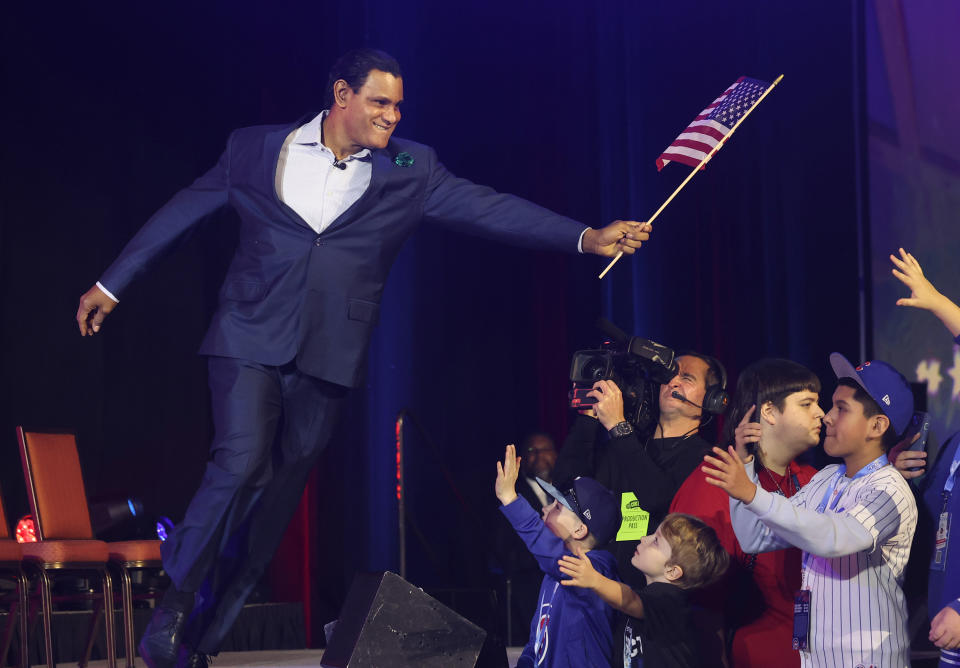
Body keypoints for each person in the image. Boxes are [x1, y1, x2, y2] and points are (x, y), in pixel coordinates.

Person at [73, 48, 653, 668]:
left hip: (329, 353)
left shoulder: (409, 168)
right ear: (341, 96)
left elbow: (491, 208)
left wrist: (585, 237)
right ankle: (174, 604)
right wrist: (112, 283)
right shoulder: (255, 147)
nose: (392, 116)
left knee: (275, 496)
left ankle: (201, 639)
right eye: (380, 102)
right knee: (240, 461)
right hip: (247, 333)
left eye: (399, 105)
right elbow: (183, 210)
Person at [705, 353, 917, 668]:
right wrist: (746, 468)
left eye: (841, 409)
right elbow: (756, 539)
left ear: (876, 425)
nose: (827, 417)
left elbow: (834, 538)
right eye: (830, 406)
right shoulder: (826, 478)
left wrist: (751, 493)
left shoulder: (889, 490)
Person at [670, 358, 823, 667]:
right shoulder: (714, 481)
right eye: (807, 404)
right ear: (768, 412)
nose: (821, 413)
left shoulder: (813, 479)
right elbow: (689, 596)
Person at [553, 352, 729, 589]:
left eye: (687, 378)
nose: (673, 382)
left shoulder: (707, 458)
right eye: (669, 375)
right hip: (600, 588)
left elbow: (656, 499)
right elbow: (567, 484)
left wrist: (618, 426)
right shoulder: (626, 444)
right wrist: (589, 416)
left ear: (712, 399)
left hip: (650, 598)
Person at [888, 248, 960, 666]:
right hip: (945, 637)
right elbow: (930, 526)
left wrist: (936, 302)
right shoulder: (952, 447)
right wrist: (899, 477)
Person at [495, 443, 621, 668]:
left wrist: (511, 501)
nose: (545, 509)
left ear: (580, 530)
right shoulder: (553, 575)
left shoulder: (597, 570)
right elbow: (538, 640)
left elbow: (551, 553)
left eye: (557, 507)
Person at [558, 512, 730, 668]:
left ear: (672, 571)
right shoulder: (651, 594)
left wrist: (595, 580)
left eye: (656, 541)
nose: (643, 538)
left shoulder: (672, 602)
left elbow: (629, 600)